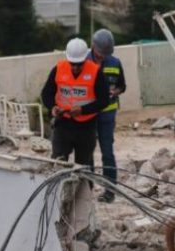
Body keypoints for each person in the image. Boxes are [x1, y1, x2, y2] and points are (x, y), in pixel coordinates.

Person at [40, 38, 110, 167]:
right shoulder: (58, 69)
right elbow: (46, 93)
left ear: (85, 59)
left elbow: (104, 100)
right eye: (72, 64)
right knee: (58, 163)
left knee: (83, 166)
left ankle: (84, 180)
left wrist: (83, 110)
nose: (75, 68)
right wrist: (52, 107)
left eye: (79, 64)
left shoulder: (95, 72)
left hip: (86, 127)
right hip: (63, 124)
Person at [88, 29, 126, 203]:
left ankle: (109, 191)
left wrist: (114, 91)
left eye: (105, 54)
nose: (102, 57)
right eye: (99, 54)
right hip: (89, 114)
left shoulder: (115, 63)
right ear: (92, 46)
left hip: (107, 114)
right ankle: (86, 188)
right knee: (87, 151)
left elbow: (122, 86)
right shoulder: (83, 61)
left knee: (107, 152)